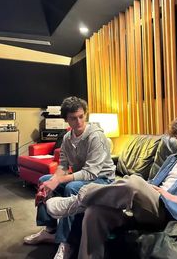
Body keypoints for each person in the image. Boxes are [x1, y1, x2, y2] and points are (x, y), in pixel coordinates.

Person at [45, 113, 177, 259]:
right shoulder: (173, 158)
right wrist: (147, 187)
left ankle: (77, 201)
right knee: (95, 212)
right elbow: (154, 183)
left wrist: (170, 197)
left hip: (170, 210)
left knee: (133, 182)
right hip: (147, 204)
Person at [24, 96, 115, 259]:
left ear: (85, 114)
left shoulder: (96, 136)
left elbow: (90, 173)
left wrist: (58, 180)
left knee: (71, 187)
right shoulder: (67, 138)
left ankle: (67, 242)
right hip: (84, 178)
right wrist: (53, 180)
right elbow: (63, 166)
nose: (79, 121)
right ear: (66, 119)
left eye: (81, 116)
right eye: (73, 118)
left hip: (103, 180)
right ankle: (49, 231)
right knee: (44, 180)